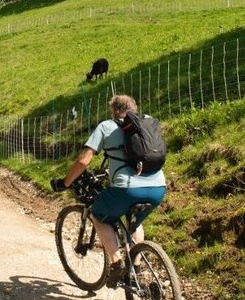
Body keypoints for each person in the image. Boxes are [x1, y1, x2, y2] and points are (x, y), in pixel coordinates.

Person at [50, 94, 166, 287]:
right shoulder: (147, 124)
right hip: (158, 187)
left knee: (98, 214)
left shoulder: (106, 126)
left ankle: (116, 263)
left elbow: (84, 161)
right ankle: (135, 270)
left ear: (115, 110)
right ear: (134, 108)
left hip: (126, 188)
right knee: (135, 224)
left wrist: (66, 182)